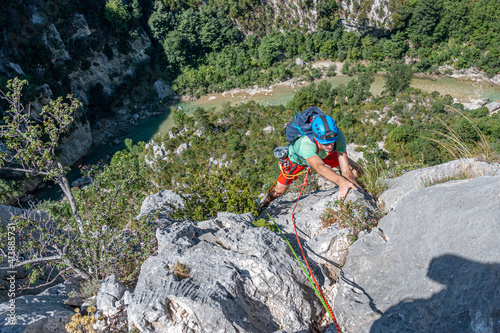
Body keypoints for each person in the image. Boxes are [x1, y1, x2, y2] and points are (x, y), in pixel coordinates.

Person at [259, 114, 363, 213]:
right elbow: (319, 166)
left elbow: (345, 169)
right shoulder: (307, 144)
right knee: (279, 191)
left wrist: (352, 185)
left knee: (357, 171)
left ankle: (358, 185)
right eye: (326, 143)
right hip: (297, 160)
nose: (330, 146)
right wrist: (341, 181)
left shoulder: (338, 136)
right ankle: (265, 203)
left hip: (324, 154)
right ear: (316, 138)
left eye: (332, 141)